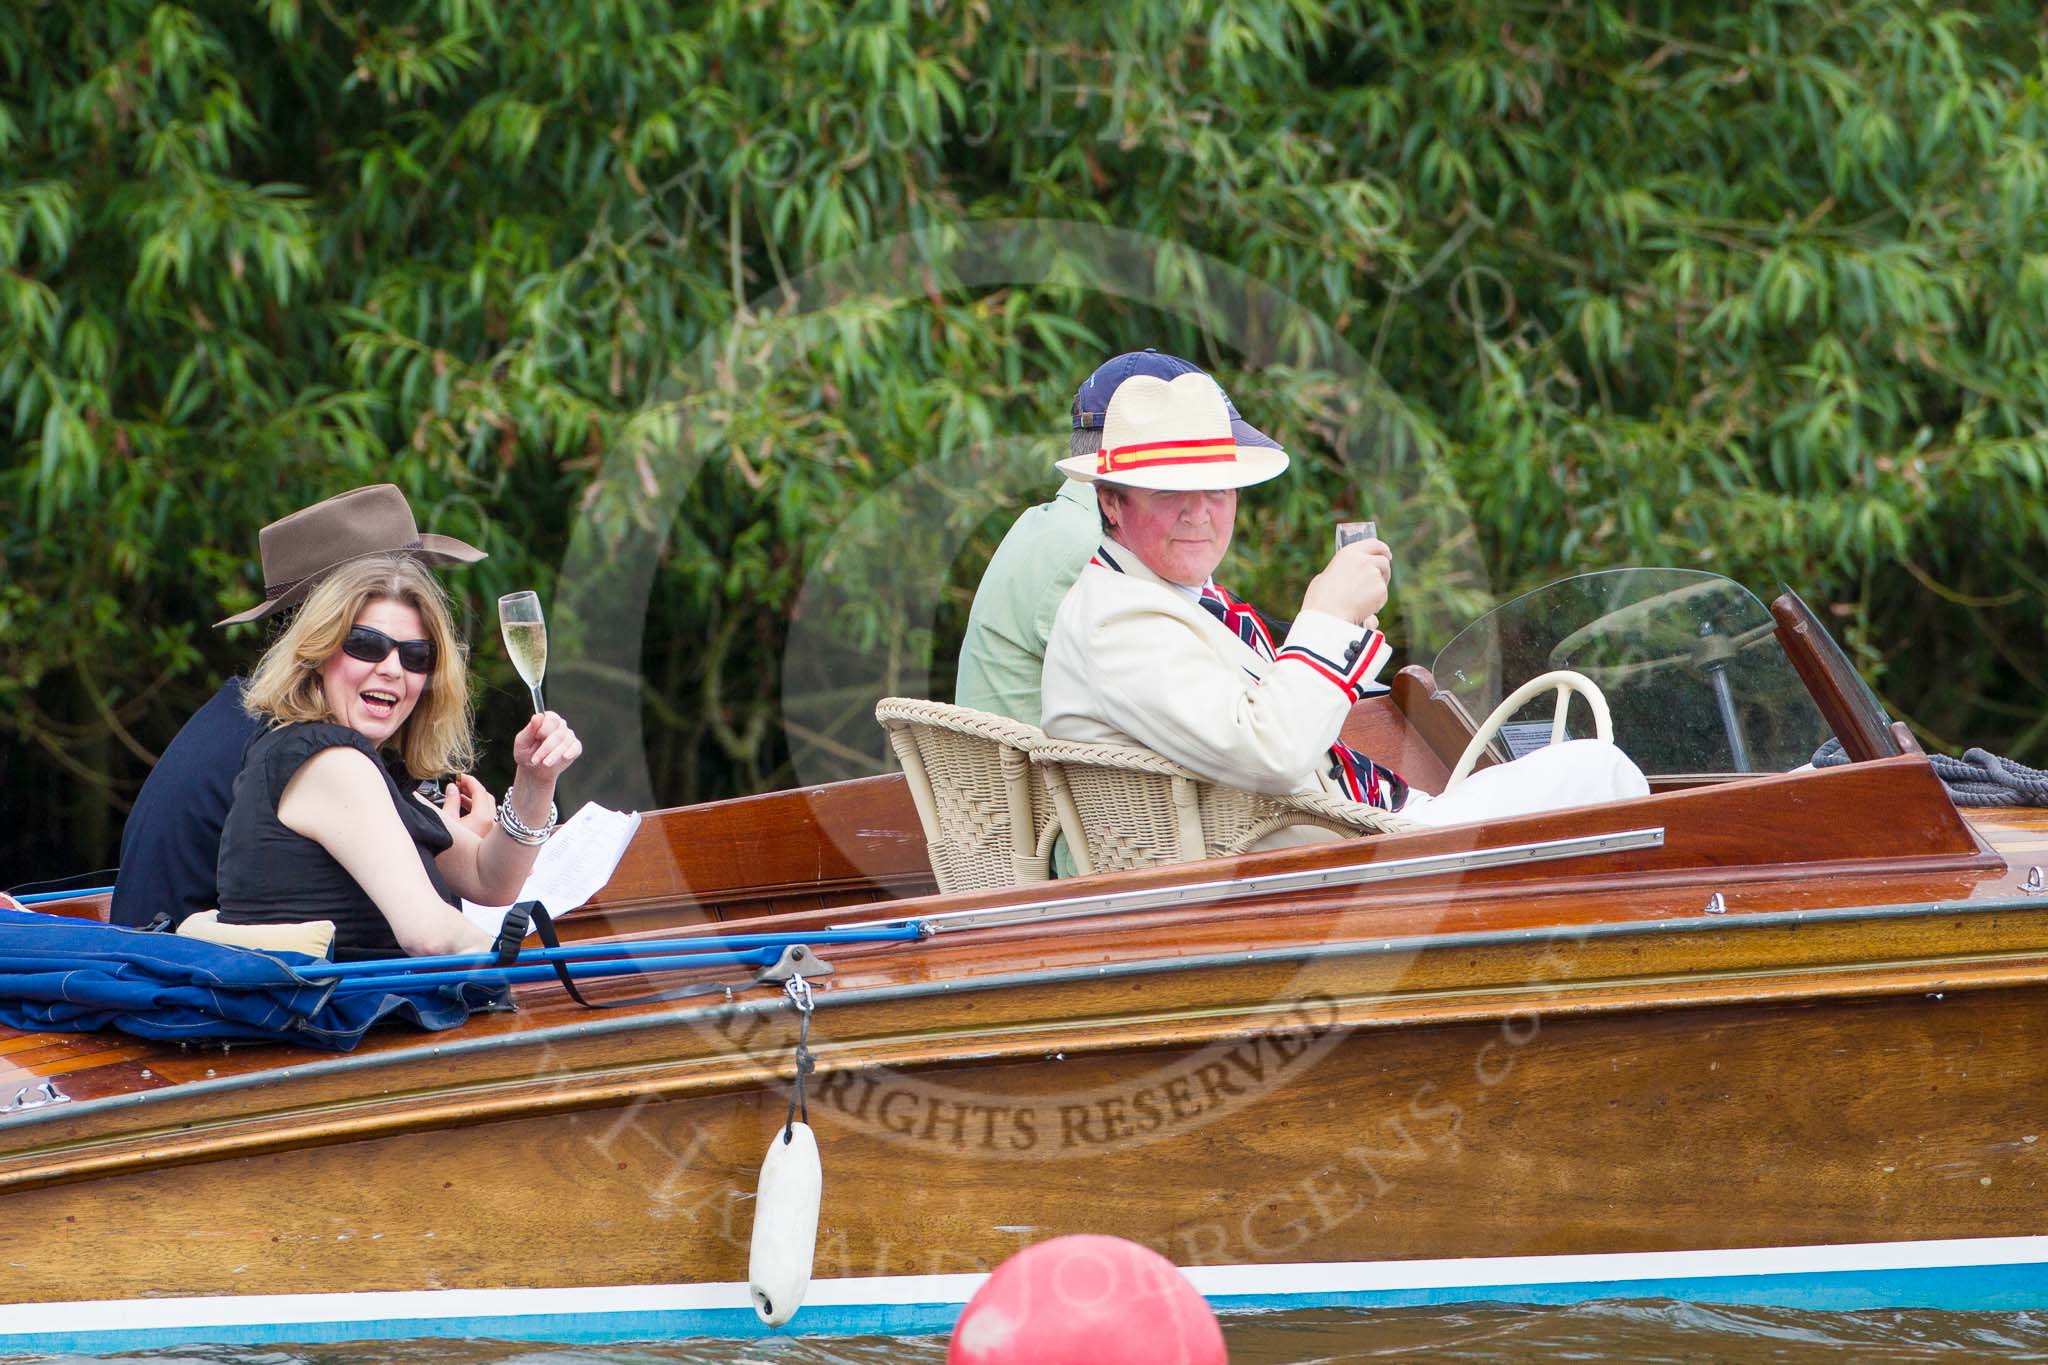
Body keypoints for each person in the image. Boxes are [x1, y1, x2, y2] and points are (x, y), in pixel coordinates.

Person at [1040, 371, 1646, 836]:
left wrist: (1335, 623)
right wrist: (1326, 615)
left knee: (1588, 771)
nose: (1200, 512)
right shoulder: (1116, 617)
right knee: (1599, 771)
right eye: (1169, 490)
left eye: (1218, 489)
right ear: (1112, 503)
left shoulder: (1155, 598)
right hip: (1313, 873)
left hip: (1329, 842)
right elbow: (1271, 751)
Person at [111, 485, 486, 929]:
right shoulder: (301, 746)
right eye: (368, 639)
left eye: (416, 649)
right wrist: (439, 844)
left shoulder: (254, 716)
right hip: (197, 985)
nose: (411, 598)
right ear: (324, 628)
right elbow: (421, 927)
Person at [214, 554, 581, 958]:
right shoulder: (330, 761)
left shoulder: (362, 765)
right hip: (351, 1016)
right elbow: (432, 935)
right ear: (319, 653)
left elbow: (489, 878)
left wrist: (535, 781)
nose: (392, 669)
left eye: (415, 655)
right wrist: (546, 968)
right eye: (366, 645)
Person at [955, 349, 1284, 725]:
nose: (1200, 503)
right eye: (1184, 472)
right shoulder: (1092, 546)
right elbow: (1218, 711)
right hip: (1043, 782)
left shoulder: (1059, 521)